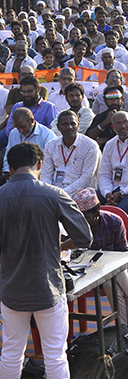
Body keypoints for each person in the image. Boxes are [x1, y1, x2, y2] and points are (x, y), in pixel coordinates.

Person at [0, 142, 91, 379]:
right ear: (40, 165)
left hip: (11, 289)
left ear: (10, 169)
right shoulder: (54, 194)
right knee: (56, 355)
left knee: (11, 352)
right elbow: (84, 237)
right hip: (48, 287)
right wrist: (59, 246)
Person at [62, 189, 128, 338]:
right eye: (79, 217)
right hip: (81, 276)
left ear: (97, 213)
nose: (82, 221)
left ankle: (124, 333)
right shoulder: (72, 226)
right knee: (115, 278)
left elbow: (122, 257)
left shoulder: (114, 222)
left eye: (86, 217)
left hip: (110, 273)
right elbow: (65, 254)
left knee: (112, 281)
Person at [40, 110, 100, 197]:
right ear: (58, 127)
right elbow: (46, 175)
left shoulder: (90, 145)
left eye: (73, 124)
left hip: (80, 193)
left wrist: (61, 193)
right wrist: (50, 191)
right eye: (65, 124)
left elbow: (86, 178)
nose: (69, 127)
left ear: (78, 125)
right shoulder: (51, 145)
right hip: (54, 192)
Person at [3, 107, 58, 173]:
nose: (20, 131)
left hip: (37, 174)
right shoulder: (14, 132)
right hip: (16, 173)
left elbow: (49, 162)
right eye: (17, 127)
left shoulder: (47, 135)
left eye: (23, 127)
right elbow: (8, 155)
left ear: (31, 121)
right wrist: (7, 171)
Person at [86, 85, 126, 150]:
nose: (114, 102)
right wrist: (106, 122)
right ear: (105, 100)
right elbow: (89, 137)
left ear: (122, 99)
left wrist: (105, 140)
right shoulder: (100, 117)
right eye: (110, 99)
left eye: (117, 99)